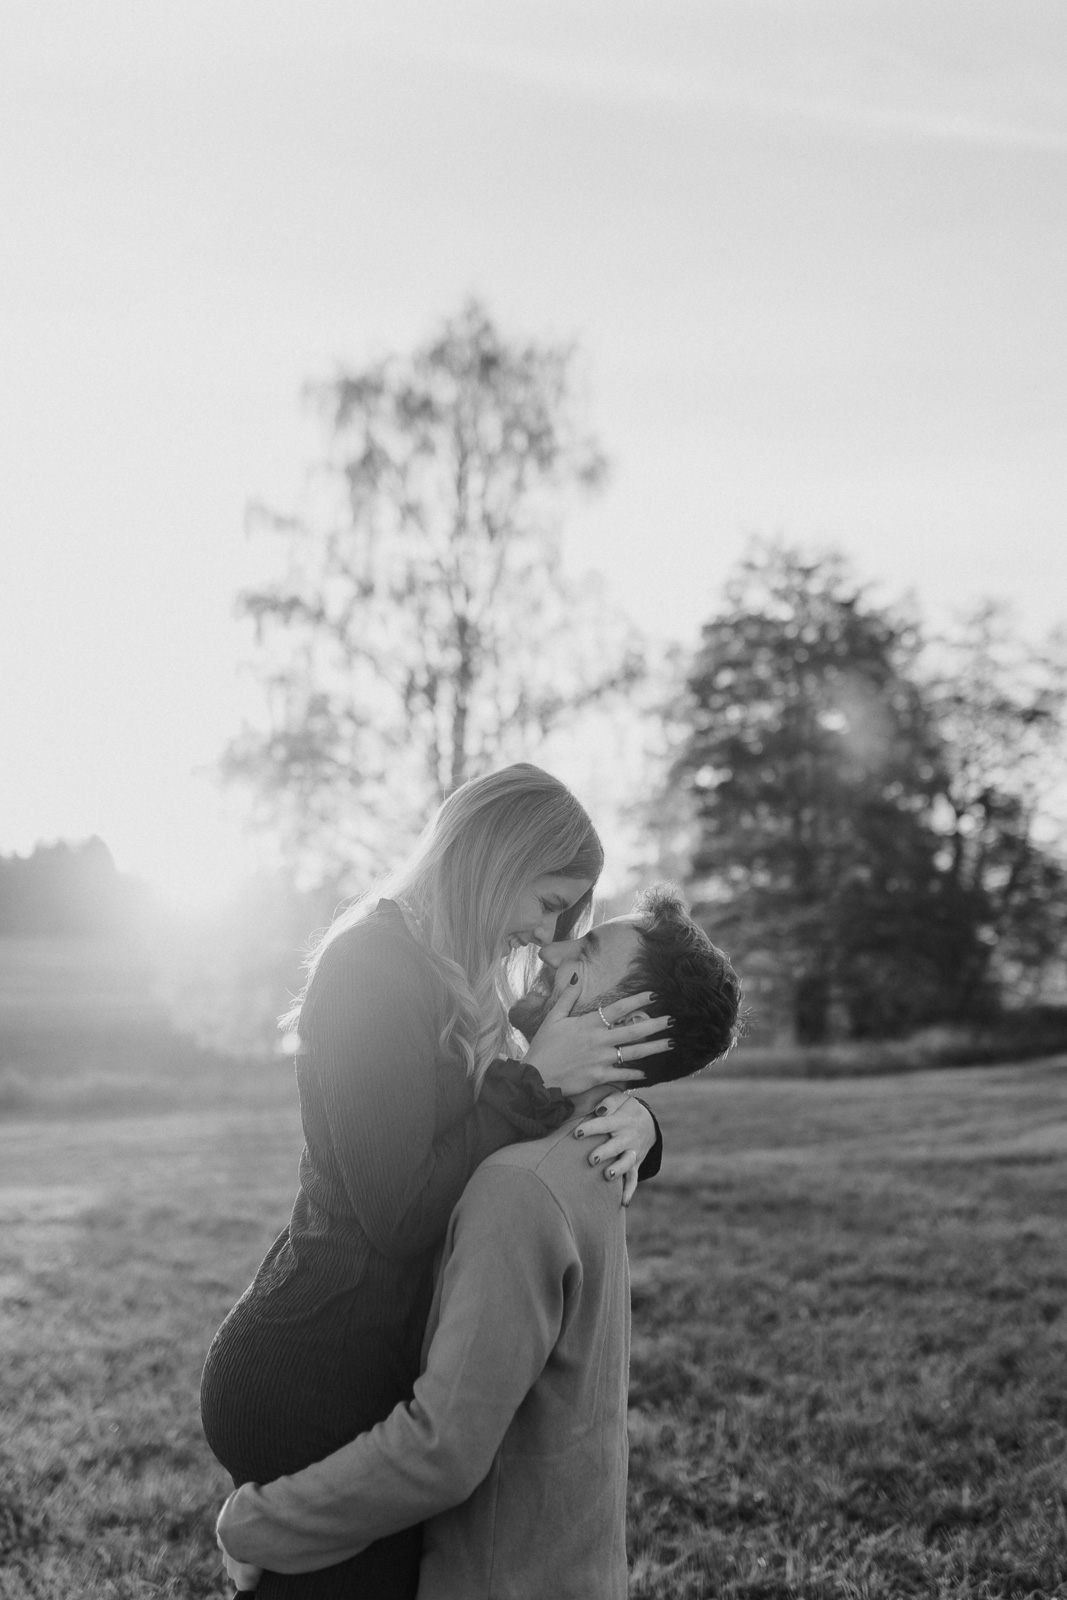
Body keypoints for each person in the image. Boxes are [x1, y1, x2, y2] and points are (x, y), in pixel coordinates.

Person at [200, 765, 671, 1600]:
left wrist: (642, 1123)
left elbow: (506, 1123)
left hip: (377, 1370)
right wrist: (533, 1082)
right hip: (312, 1370)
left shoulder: (455, 968)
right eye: (547, 902)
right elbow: (400, 1210)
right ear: (497, 859)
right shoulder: (371, 966)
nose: (545, 934)